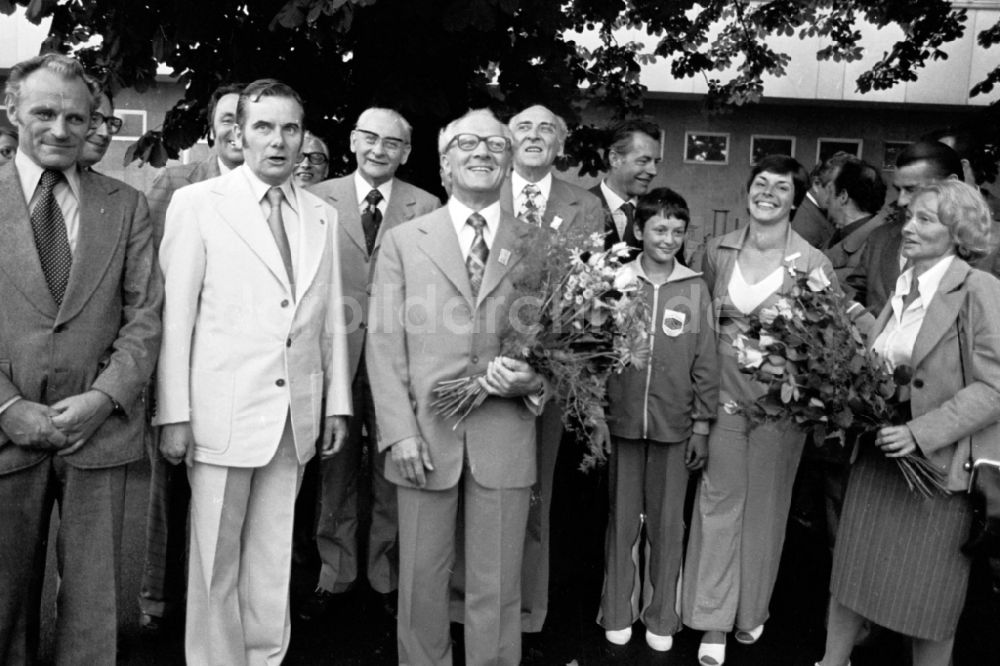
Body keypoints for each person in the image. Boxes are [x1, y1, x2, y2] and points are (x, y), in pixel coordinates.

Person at [155, 78, 351, 665]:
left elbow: (329, 318)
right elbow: (175, 320)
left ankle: (265, 658)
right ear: (237, 133)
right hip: (219, 415)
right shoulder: (198, 203)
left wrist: (336, 401)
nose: (278, 141)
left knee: (270, 561)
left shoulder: (321, 214)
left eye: (290, 128)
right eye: (263, 127)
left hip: (293, 418)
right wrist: (175, 414)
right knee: (216, 562)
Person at [366, 108, 546, 666]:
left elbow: (560, 344)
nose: (482, 152)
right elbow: (383, 342)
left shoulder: (538, 245)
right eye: (467, 143)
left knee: (496, 582)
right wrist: (398, 434)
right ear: (444, 164)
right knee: (421, 578)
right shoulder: (402, 241)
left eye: (496, 144)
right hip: (424, 436)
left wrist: (533, 380)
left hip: (505, 434)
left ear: (509, 160)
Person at [0, 53, 162, 664]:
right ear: (13, 111)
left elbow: (145, 317)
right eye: (44, 112)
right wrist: (8, 407)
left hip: (97, 433)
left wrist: (103, 398)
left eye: (77, 116)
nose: (61, 129)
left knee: (94, 613)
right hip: (5, 431)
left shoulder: (124, 205)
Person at [816, 179, 1000, 666]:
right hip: (878, 459)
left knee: (929, 599)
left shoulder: (979, 289)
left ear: (957, 233)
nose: (909, 227)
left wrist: (920, 433)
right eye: (909, 216)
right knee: (853, 577)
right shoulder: (904, 282)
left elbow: (994, 387)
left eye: (925, 219)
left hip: (935, 472)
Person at [682, 155, 841, 666]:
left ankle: (751, 609)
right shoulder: (716, 251)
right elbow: (696, 330)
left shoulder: (814, 263)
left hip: (780, 406)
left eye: (781, 187)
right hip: (722, 395)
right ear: (748, 191)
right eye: (760, 184)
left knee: (767, 509)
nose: (768, 192)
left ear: (797, 199)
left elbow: (829, 344)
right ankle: (712, 621)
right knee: (718, 503)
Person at [303, 107, 440, 621]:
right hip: (335, 352)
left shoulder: (426, 204)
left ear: (406, 152)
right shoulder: (316, 199)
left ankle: (386, 574)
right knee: (334, 467)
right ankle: (335, 573)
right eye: (370, 138)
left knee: (393, 468)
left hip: (397, 355)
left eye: (392, 143)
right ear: (353, 141)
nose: (379, 149)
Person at [137, 81, 244, 632]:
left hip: (242, 377)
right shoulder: (178, 181)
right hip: (182, 361)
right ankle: (159, 598)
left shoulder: (281, 193)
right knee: (170, 489)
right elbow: (153, 281)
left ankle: (221, 607)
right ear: (213, 126)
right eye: (228, 117)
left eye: (246, 117)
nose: (237, 128)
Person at [600, 188, 719, 652]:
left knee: (670, 523)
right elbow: (595, 354)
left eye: (677, 230)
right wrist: (596, 414)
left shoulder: (693, 288)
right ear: (638, 230)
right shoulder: (615, 281)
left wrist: (703, 425)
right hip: (622, 421)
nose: (668, 238)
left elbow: (706, 363)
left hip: (675, 426)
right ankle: (615, 609)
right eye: (659, 228)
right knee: (621, 519)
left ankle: (662, 615)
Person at [501, 103, 604, 633]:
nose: (535, 136)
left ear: (561, 145)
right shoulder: (480, 190)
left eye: (547, 129)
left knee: (535, 492)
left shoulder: (584, 205)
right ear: (507, 140)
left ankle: (527, 615)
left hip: (548, 369)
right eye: (524, 127)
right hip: (481, 363)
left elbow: (588, 290)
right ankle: (468, 607)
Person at [846, 141, 963, 315]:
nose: (901, 201)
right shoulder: (880, 239)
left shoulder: (990, 252)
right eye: (898, 190)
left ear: (951, 185)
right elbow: (852, 298)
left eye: (911, 189)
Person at [590, 119, 661, 257]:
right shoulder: (578, 209)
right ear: (614, 159)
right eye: (643, 161)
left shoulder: (660, 212)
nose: (654, 171)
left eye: (655, 162)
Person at [824, 157, 888, 286]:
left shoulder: (878, 248)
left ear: (843, 196)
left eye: (830, 192)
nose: (826, 201)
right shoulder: (839, 235)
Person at [792, 153, 850, 249]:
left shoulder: (819, 210)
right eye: (835, 188)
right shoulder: (802, 224)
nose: (844, 197)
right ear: (816, 185)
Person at [79, 90, 122, 170]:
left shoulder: (106, 182)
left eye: (110, 123)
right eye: (93, 119)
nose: (105, 133)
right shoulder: (49, 181)